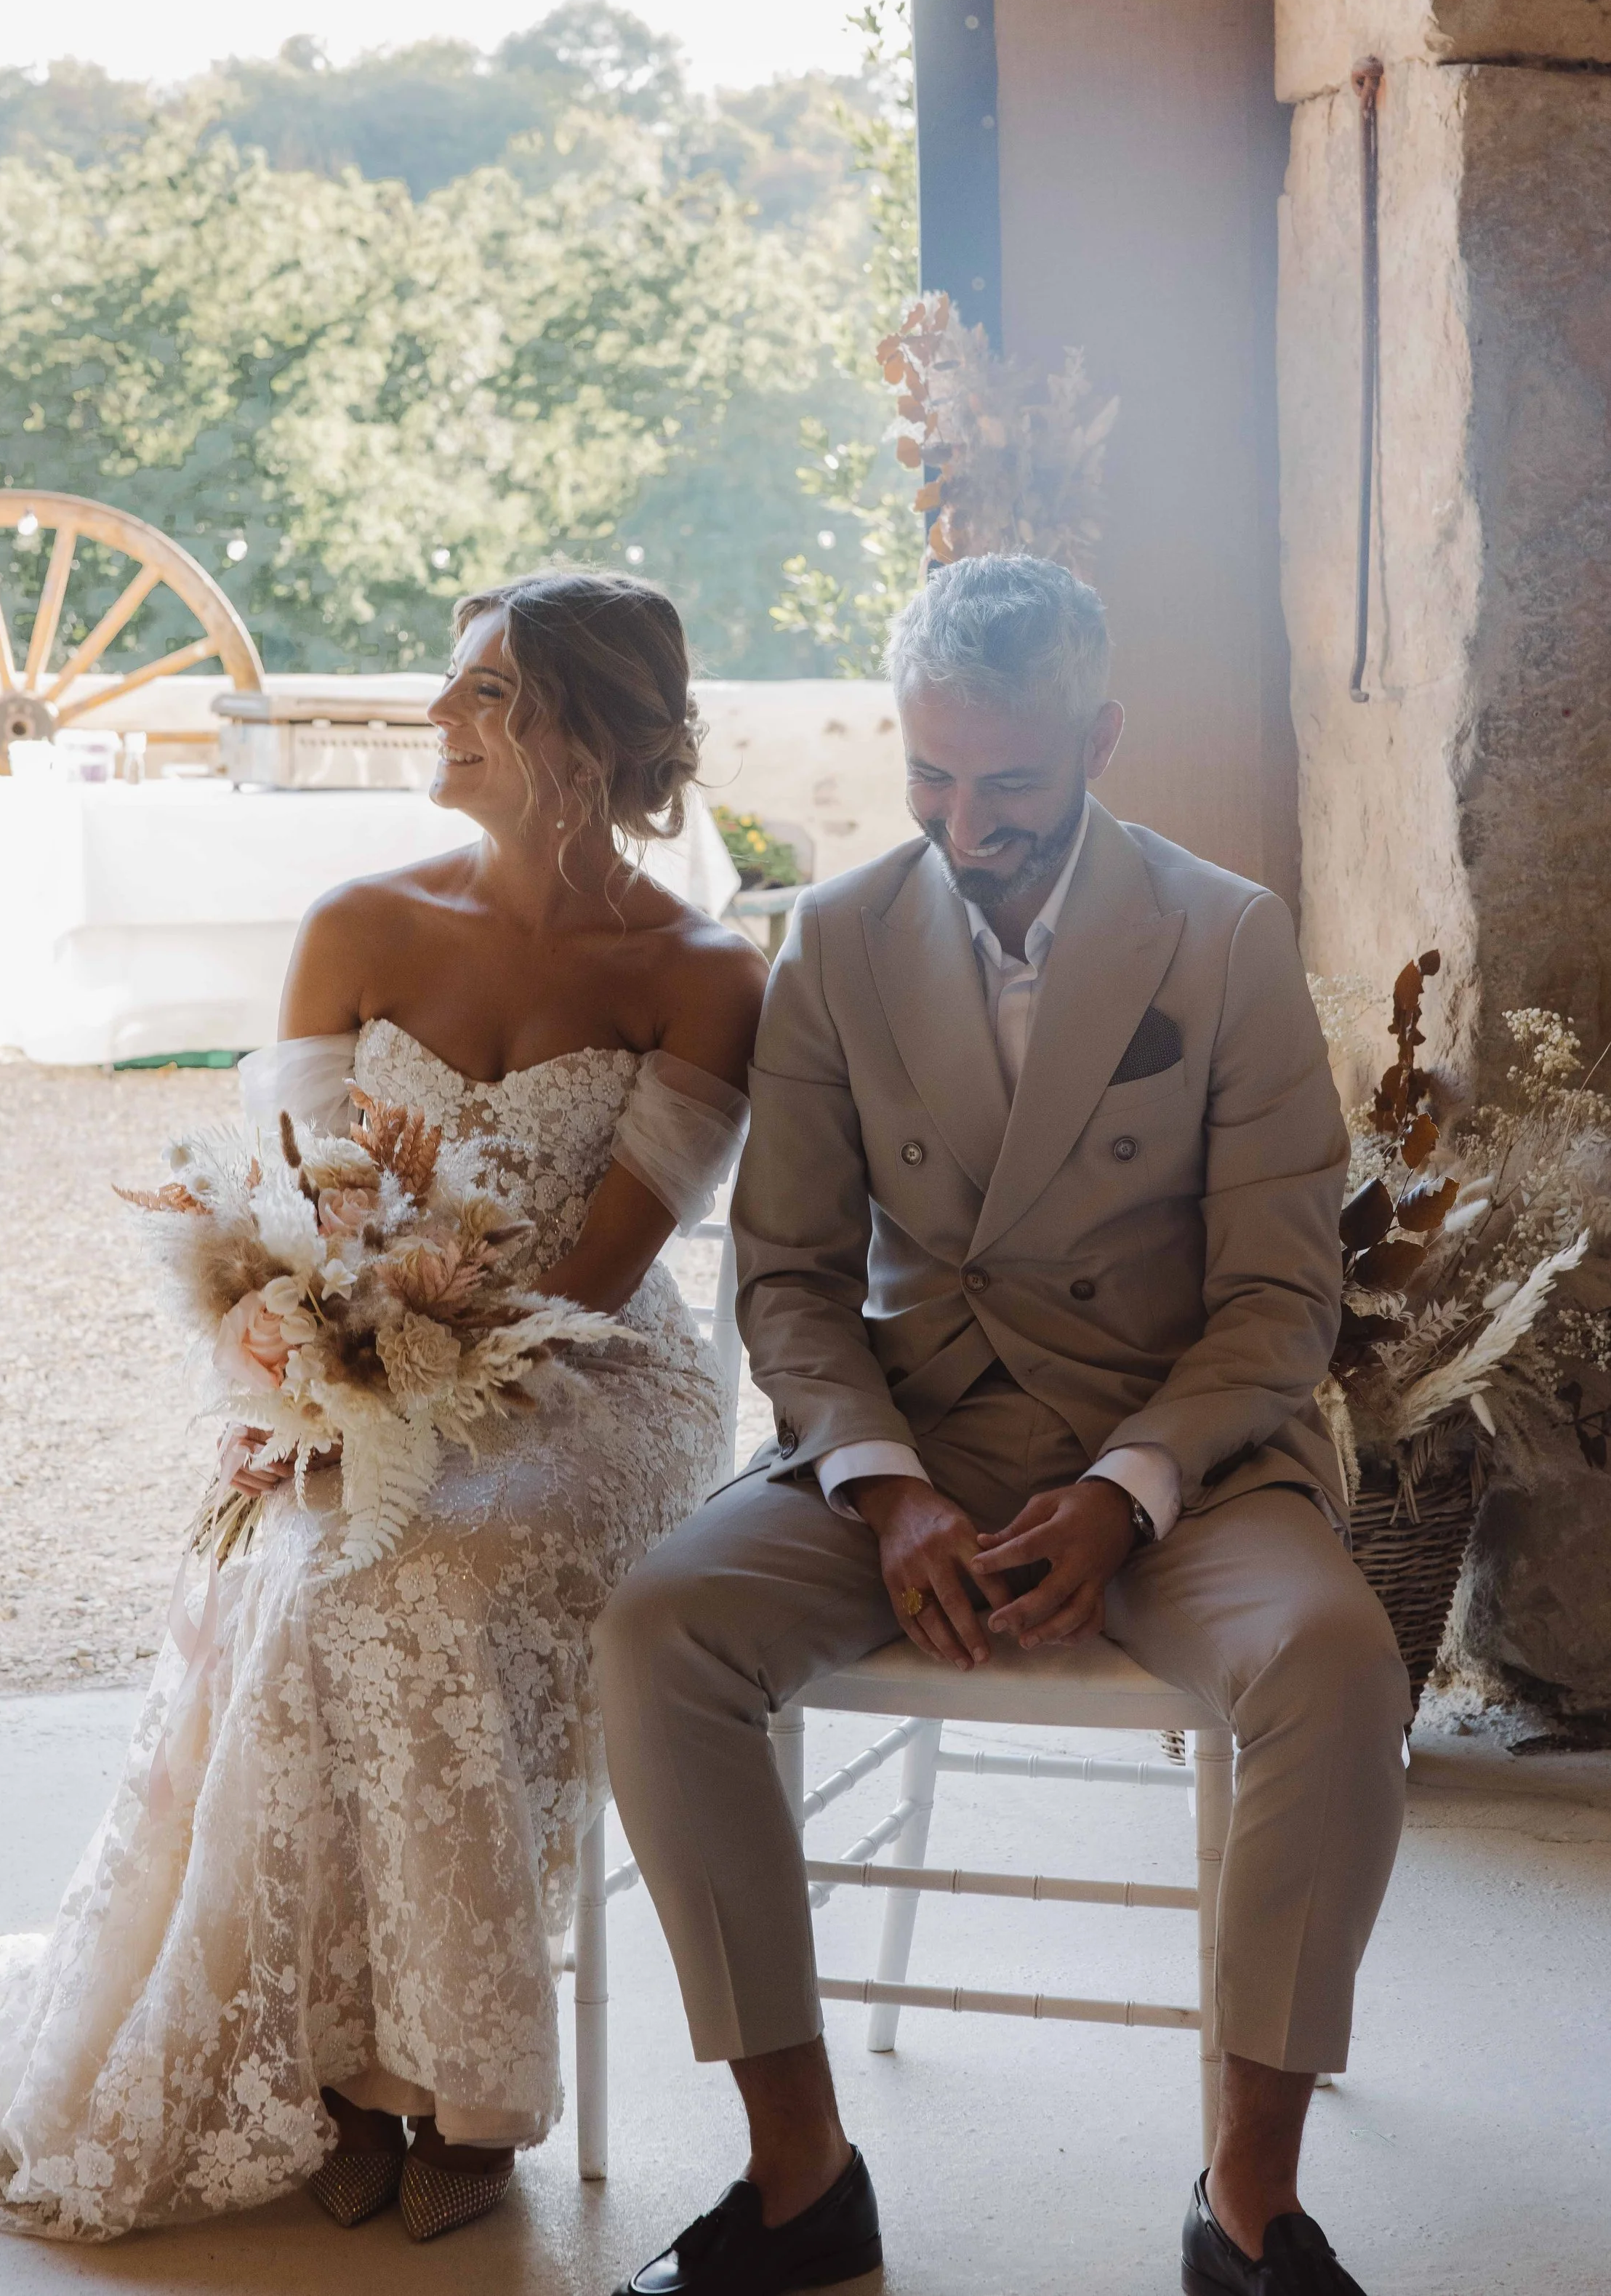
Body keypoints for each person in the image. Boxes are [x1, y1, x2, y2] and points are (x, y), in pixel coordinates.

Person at [0, 570, 765, 2247]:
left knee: (433, 1574)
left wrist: (437, 1360)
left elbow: (603, 1275)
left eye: (481, 694)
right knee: (314, 1576)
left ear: (581, 733)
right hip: (371, 1350)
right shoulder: (362, 924)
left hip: (593, 1379)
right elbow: (297, 1217)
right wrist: (329, 1359)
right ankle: (346, 2062)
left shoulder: (698, 968)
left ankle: (468, 2090)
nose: (437, 718)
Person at [598, 553, 1410, 2296]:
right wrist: (881, 1489)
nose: (968, 824)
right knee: (662, 1627)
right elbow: (794, 1276)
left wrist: (1127, 1489)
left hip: (1174, 1452)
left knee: (1337, 1664)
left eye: (1013, 784)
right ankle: (800, 2182)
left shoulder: (1225, 933)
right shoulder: (830, 933)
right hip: (912, 1436)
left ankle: (1247, 2211)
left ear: (1099, 736)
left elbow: (1279, 1298)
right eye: (931, 778)